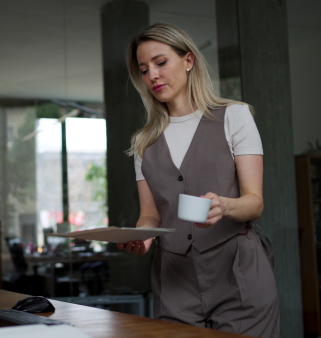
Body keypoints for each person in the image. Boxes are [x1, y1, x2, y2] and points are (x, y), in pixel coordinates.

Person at [117, 23, 280, 337]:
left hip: (239, 274)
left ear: (188, 61)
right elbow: (150, 215)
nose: (151, 74)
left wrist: (224, 205)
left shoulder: (234, 115)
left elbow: (254, 203)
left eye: (160, 62)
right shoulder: (143, 142)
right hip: (175, 280)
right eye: (143, 69)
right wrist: (143, 237)